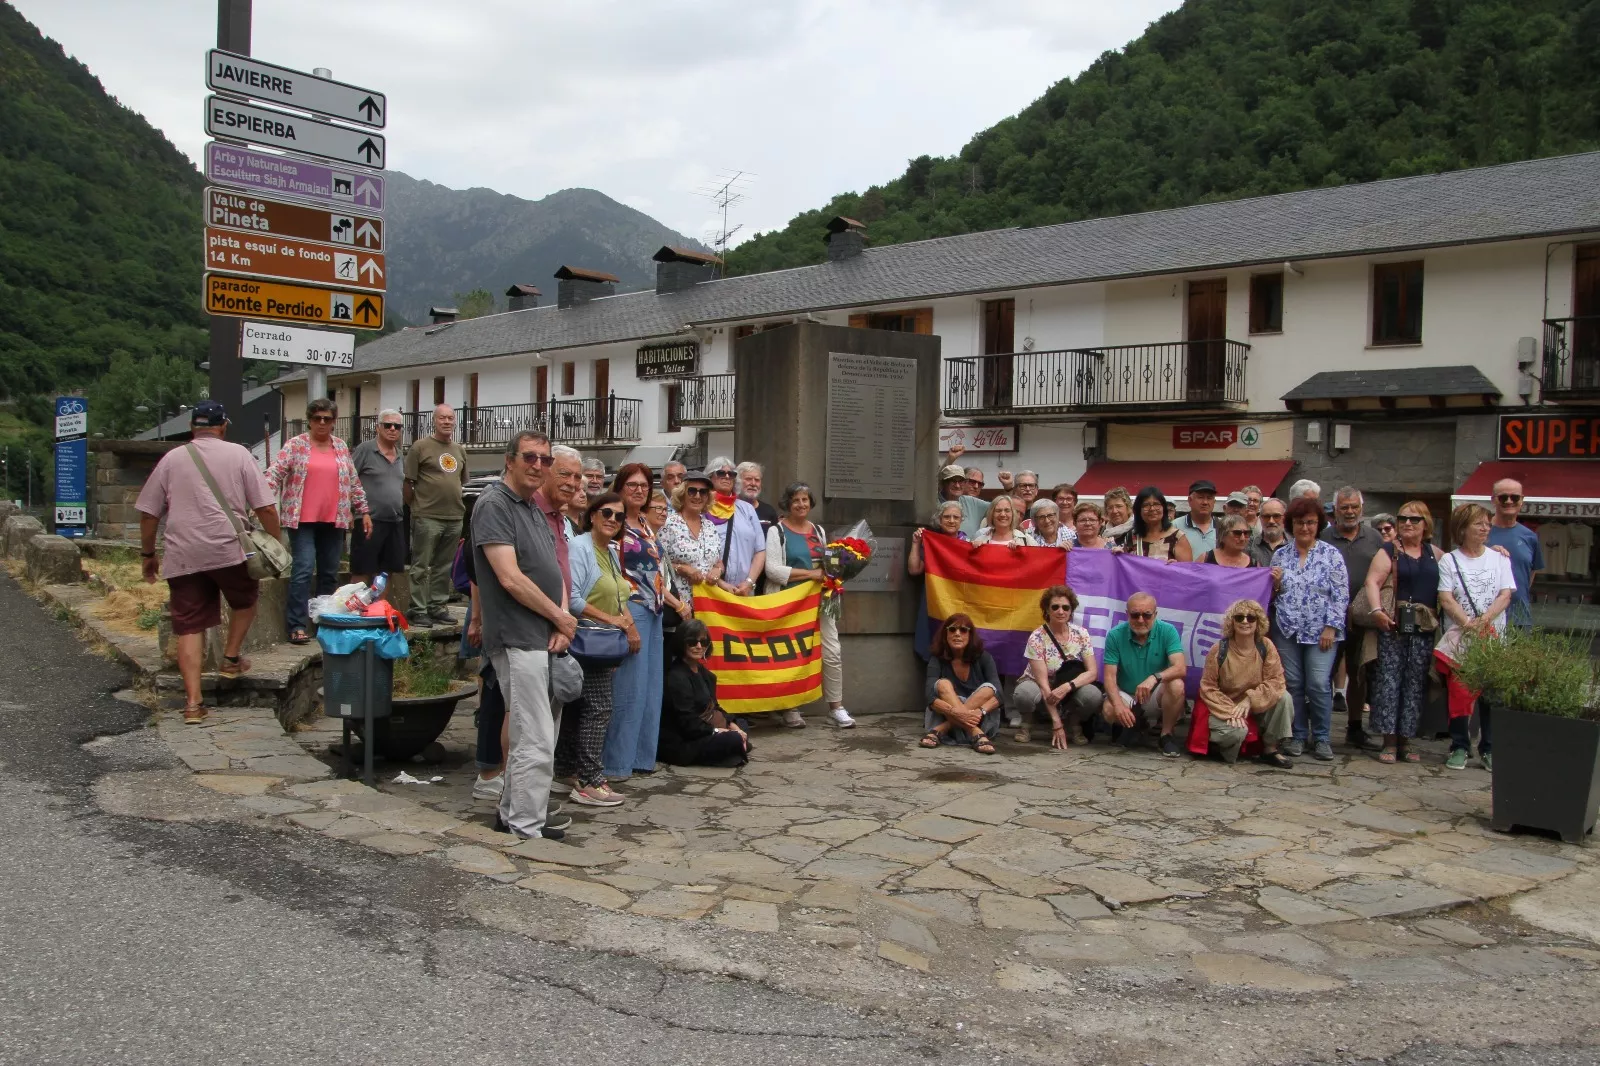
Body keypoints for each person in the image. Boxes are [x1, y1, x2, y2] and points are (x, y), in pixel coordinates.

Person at [137, 401, 282, 723]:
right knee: (245, 600)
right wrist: (275, 543)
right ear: (224, 426)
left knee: (190, 626)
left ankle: (192, 705)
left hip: (183, 553)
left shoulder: (171, 458)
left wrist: (148, 555)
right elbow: (267, 508)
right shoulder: (240, 455)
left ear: (192, 427)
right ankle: (230, 657)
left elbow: (148, 513)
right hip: (228, 549)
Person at [472, 430, 577, 841]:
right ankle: (526, 827)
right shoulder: (494, 504)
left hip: (544, 634)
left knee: (537, 734)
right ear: (509, 459)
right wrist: (559, 616)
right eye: (530, 457)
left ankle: (514, 813)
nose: (538, 465)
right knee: (533, 735)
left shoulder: (532, 507)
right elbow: (510, 578)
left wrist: (562, 618)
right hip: (516, 636)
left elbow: (553, 570)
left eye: (545, 459)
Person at [267, 398, 371, 644]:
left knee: (329, 573)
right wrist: (261, 500)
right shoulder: (295, 445)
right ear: (309, 421)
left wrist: (363, 511)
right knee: (303, 570)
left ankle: (324, 622)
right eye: (317, 418)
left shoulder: (341, 447)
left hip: (334, 520)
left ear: (334, 422)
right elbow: (275, 473)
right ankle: (296, 625)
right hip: (302, 519)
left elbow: (354, 482)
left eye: (327, 418)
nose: (322, 423)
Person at [561, 492, 636, 806]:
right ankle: (590, 781)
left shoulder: (612, 550)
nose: (613, 520)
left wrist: (624, 624)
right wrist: (615, 622)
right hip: (587, 639)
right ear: (592, 514)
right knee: (598, 709)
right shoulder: (580, 547)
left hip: (604, 642)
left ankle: (566, 772)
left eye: (619, 516)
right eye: (607, 513)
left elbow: (620, 596)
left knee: (579, 709)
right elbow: (575, 599)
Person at [764, 481, 854, 729]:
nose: (801, 504)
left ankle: (836, 707)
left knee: (831, 651)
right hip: (789, 604)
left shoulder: (818, 531)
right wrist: (810, 574)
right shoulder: (777, 532)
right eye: (796, 500)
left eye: (805, 500)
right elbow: (772, 570)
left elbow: (826, 564)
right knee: (792, 655)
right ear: (788, 504)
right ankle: (790, 707)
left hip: (821, 601)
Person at [1436, 503, 1516, 771]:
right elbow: (1446, 598)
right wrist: (1467, 623)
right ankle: (1459, 746)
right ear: (1462, 528)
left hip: (1493, 639)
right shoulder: (1450, 560)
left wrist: (1483, 621)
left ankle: (1489, 748)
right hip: (1462, 639)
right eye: (1478, 523)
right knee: (1459, 695)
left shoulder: (1500, 559)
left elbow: (1505, 595)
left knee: (1491, 696)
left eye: (1487, 524)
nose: (1485, 528)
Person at [1363, 501, 1444, 764]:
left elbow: (1462, 567)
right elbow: (1372, 581)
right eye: (1402, 518)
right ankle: (1388, 740)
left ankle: (1407, 739)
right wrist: (1377, 611)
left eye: (1414, 519)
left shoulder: (1436, 554)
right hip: (1394, 625)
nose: (1407, 523)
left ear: (1426, 524)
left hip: (1424, 627)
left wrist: (1498, 551)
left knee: (1416, 682)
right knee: (1389, 680)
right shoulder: (1389, 551)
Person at [1270, 497, 1348, 761]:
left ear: (1319, 524)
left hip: (1321, 631)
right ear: (1292, 524)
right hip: (1287, 629)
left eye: (1311, 522)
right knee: (1293, 684)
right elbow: (1274, 594)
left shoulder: (1331, 554)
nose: (1305, 527)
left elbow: (1341, 594)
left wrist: (1331, 627)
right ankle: (1298, 735)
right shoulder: (1280, 554)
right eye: (1300, 522)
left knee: (1317, 683)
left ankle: (1323, 737)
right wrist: (1277, 584)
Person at [603, 462, 668, 782]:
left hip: (655, 611)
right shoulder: (614, 523)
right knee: (628, 690)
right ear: (620, 487)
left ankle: (642, 758)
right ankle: (615, 764)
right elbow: (613, 575)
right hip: (632, 610)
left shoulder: (644, 521)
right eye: (633, 485)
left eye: (644, 485)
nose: (639, 490)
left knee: (651, 690)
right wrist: (625, 622)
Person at [1320, 486, 1386, 750]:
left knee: (1359, 674)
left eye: (1354, 507)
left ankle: (1355, 727)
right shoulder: (1322, 537)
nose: (1349, 512)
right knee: (1324, 674)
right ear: (1335, 510)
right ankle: (1320, 730)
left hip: (1362, 617)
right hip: (1327, 619)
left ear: (1362, 508)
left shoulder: (1375, 538)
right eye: (1344, 507)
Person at [1196, 599, 1295, 767]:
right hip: (1226, 704)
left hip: (1254, 703)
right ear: (1231, 622)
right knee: (1237, 732)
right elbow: (1208, 687)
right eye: (1239, 617)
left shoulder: (1266, 646)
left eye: (1251, 618)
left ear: (1258, 622)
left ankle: (1270, 749)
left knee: (1284, 697)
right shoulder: (1219, 649)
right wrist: (1230, 712)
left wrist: (1250, 699)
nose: (1245, 622)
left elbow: (1276, 681)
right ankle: (1223, 749)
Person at [1011, 585, 1102, 748]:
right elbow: (1043, 684)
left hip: (1068, 685)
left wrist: (1068, 686)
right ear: (1047, 609)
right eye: (1055, 607)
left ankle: (1074, 722)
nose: (1061, 611)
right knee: (1024, 694)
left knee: (1093, 695)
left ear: (1071, 610)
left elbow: (1092, 672)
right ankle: (1027, 723)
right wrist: (1056, 723)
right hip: (1040, 684)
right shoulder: (1037, 637)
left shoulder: (1082, 634)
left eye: (1066, 607)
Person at [404, 403, 468, 628]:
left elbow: (461, 481)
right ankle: (418, 609)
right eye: (443, 418)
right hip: (426, 515)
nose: (447, 422)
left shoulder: (459, 450)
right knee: (421, 565)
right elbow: (408, 482)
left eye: (451, 418)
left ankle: (437, 607)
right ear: (434, 420)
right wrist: (415, 508)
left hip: (454, 516)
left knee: (444, 565)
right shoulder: (420, 447)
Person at [1100, 593, 1187, 756]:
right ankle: (1136, 725)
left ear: (1155, 614)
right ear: (1127, 614)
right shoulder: (1114, 635)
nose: (1140, 620)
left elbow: (1180, 667)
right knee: (1110, 710)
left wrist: (1154, 678)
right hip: (1127, 693)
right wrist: (1119, 705)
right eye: (1135, 615)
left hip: (1154, 693)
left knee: (1177, 685)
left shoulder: (1168, 631)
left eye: (1147, 615)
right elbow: (1109, 677)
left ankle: (1166, 735)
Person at [659, 619, 750, 767]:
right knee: (733, 739)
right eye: (692, 642)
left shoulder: (705, 674)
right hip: (685, 739)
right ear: (682, 643)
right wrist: (717, 731)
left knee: (742, 725)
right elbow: (686, 723)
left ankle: (733, 748)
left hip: (707, 726)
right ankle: (733, 748)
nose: (699, 646)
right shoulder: (676, 677)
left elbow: (715, 707)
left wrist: (734, 727)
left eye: (703, 641)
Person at [921, 613, 1002, 753]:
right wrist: (955, 712)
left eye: (963, 630)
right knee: (942, 684)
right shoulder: (937, 659)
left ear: (970, 635)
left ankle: (942, 729)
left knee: (989, 688)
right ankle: (974, 732)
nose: (957, 634)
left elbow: (1000, 695)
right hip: (947, 715)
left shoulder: (984, 658)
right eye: (952, 630)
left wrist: (978, 711)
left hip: (980, 718)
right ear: (945, 635)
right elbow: (929, 696)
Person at [348, 409, 407, 589]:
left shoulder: (399, 454)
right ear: (378, 428)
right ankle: (355, 613)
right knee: (362, 569)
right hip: (368, 520)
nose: (392, 429)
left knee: (386, 571)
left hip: (395, 520)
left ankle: (379, 612)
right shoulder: (365, 449)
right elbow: (348, 479)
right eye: (387, 425)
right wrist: (350, 512)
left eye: (397, 426)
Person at [659, 470, 725, 612]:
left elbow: (718, 561)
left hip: (709, 606)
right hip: (680, 606)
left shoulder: (710, 526)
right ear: (682, 494)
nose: (697, 496)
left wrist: (717, 570)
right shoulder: (668, 524)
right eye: (692, 491)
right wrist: (682, 568)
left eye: (703, 492)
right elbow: (657, 564)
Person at [1485, 477, 1544, 631]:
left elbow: (1531, 572)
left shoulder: (1530, 537)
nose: (1509, 501)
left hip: (1519, 618)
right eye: (1503, 497)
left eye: (1515, 497)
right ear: (1493, 500)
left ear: (1522, 500)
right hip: (1483, 616)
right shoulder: (1480, 532)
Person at [705, 456, 766, 596]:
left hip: (744, 590)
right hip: (712, 589)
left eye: (731, 474)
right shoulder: (702, 508)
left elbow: (760, 550)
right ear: (710, 477)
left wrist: (749, 582)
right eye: (721, 473)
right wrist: (721, 584)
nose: (727, 477)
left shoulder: (747, 509)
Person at [1117, 487, 1194, 561]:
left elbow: (1187, 571)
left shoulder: (1177, 537)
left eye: (1156, 504)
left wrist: (1176, 567)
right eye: (1146, 505)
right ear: (1139, 510)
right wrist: (1118, 555)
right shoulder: (1131, 537)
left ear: (1163, 508)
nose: (1152, 509)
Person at [941, 446, 989, 538]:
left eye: (980, 484)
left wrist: (1008, 488)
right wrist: (950, 460)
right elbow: (936, 482)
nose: (976, 486)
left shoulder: (975, 503)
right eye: (972, 482)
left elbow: (1001, 507)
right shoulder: (936, 500)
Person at [908, 502, 968, 577]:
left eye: (956, 517)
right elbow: (914, 570)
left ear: (961, 520)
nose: (951, 521)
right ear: (940, 520)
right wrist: (916, 542)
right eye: (946, 517)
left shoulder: (967, 543)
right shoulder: (932, 543)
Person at [973, 494, 1039, 547]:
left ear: (1013, 514)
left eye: (1007, 510)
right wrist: (975, 550)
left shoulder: (1026, 540)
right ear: (991, 514)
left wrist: (1023, 552)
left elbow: (1038, 560)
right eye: (998, 510)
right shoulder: (980, 539)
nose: (1003, 514)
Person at [1175, 479, 1218, 557]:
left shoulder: (1223, 526)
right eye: (1200, 497)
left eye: (1209, 498)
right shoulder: (1175, 526)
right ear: (1190, 500)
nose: (1205, 502)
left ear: (1214, 502)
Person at [737, 461, 779, 535]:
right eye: (748, 479)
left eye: (757, 480)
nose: (753, 484)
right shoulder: (731, 509)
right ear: (737, 482)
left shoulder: (769, 511)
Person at [1250, 497, 1288, 567]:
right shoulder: (1250, 545)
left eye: (1276, 516)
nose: (1271, 521)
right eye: (1266, 516)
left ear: (1284, 518)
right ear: (1260, 518)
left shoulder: (1295, 545)